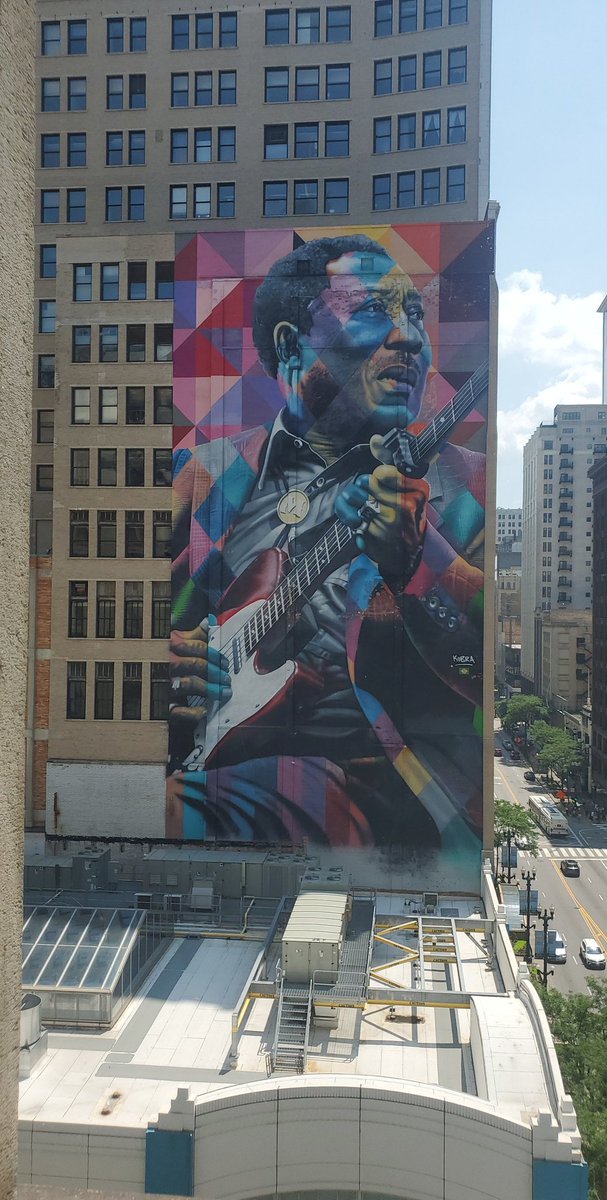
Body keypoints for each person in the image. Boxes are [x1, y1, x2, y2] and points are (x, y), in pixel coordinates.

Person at [168, 234, 487, 852]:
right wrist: (168, 667)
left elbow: (486, 670)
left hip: (394, 810)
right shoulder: (204, 475)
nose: (410, 339)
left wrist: (417, 563)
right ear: (291, 347)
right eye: (374, 311)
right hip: (212, 780)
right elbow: (144, 623)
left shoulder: (469, 483)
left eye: (414, 315)